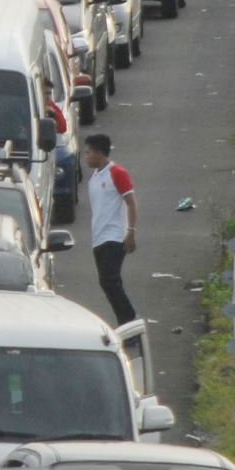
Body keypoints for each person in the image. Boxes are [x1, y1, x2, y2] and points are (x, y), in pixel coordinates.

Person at [80, 132, 139, 328]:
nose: (86, 157)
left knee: (110, 280)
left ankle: (129, 321)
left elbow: (130, 202)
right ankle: (125, 322)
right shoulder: (94, 178)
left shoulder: (117, 173)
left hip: (114, 237)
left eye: (88, 152)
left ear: (99, 153)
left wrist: (130, 231)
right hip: (98, 237)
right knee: (107, 283)